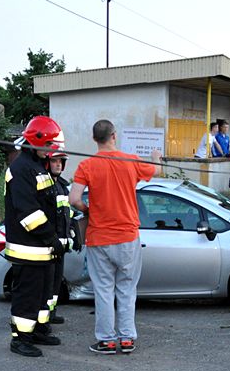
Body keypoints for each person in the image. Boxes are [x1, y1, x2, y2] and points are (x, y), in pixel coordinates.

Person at [69, 119, 162, 354]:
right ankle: (127, 338)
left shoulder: (86, 165)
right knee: (127, 289)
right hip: (127, 237)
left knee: (103, 290)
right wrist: (156, 157)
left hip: (99, 237)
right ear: (114, 136)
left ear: (94, 139)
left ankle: (107, 341)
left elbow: (74, 199)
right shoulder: (131, 161)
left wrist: (88, 210)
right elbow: (157, 170)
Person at [4, 116, 65, 358]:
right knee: (27, 296)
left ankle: (38, 330)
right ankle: (20, 339)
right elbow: (28, 212)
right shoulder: (21, 169)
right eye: (49, 145)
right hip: (28, 248)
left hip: (42, 248)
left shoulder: (38, 166)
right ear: (36, 142)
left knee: (42, 294)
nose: (52, 150)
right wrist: (51, 238)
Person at [45, 141, 81, 326]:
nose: (58, 165)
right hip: (48, 246)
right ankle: (43, 318)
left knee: (56, 282)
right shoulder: (45, 186)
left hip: (61, 246)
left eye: (61, 162)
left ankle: (51, 313)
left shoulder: (62, 186)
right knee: (46, 283)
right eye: (54, 161)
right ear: (47, 163)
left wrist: (75, 232)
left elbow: (68, 214)